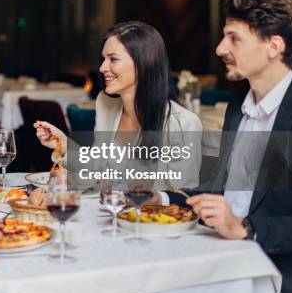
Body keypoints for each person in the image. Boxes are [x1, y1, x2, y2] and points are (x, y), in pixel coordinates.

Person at [161, 0, 292, 293]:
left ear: (274, 46)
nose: (220, 49)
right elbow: (221, 191)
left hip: (272, 271)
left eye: (234, 38)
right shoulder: (237, 107)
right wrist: (161, 200)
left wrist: (247, 227)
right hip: (219, 252)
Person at [34, 21, 203, 189]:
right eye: (103, 59)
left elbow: (180, 198)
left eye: (113, 59)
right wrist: (63, 144)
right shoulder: (106, 103)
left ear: (143, 64)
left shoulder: (184, 124)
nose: (102, 67)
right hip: (105, 210)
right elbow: (97, 170)